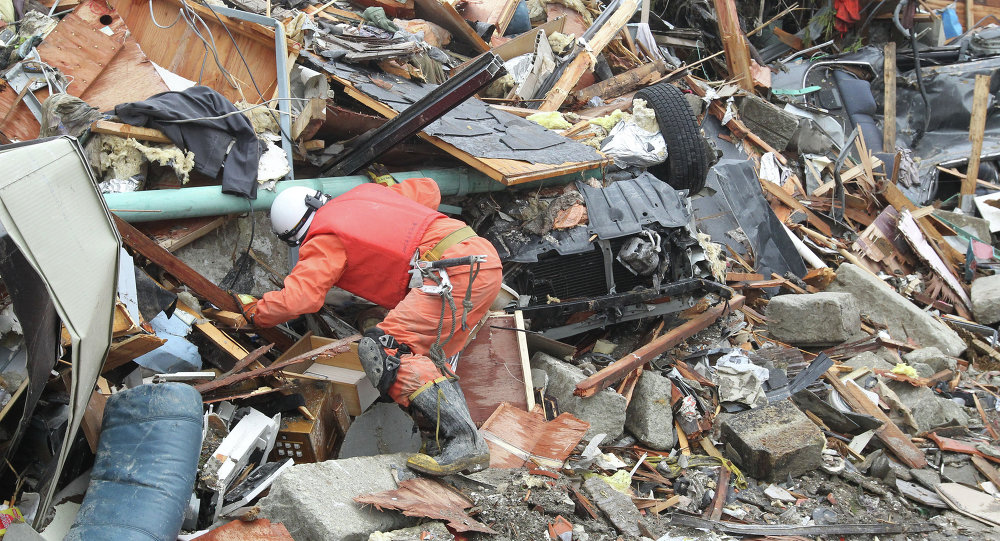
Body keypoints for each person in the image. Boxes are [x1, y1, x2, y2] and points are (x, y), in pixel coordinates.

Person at [243, 177, 502, 475]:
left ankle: (464, 441)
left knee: (384, 350)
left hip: (450, 273)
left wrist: (255, 313)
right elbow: (429, 188)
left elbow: (299, 299)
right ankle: (443, 445)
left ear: (294, 234)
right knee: (422, 356)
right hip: (479, 259)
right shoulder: (367, 194)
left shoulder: (324, 237)